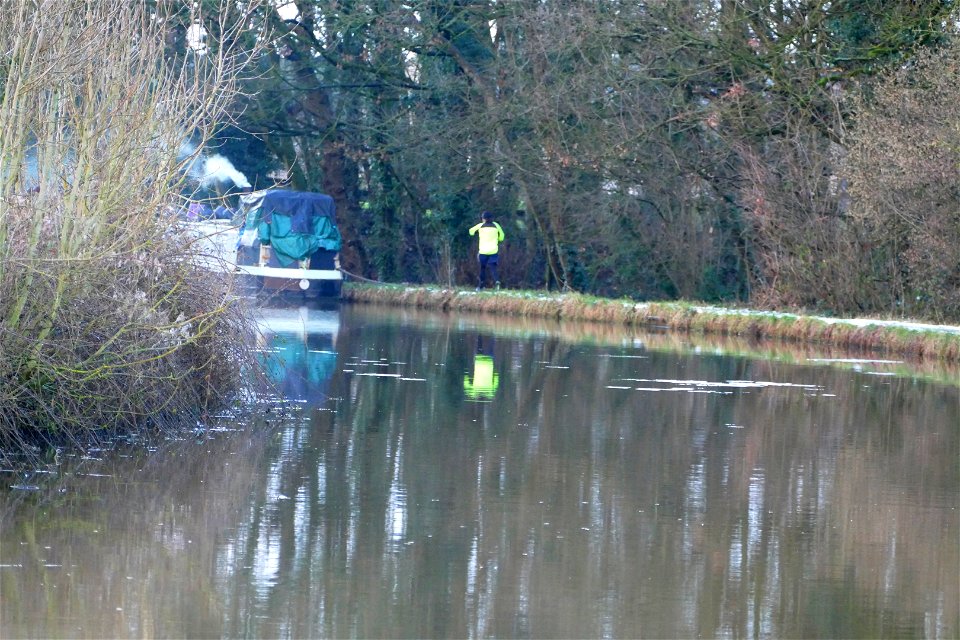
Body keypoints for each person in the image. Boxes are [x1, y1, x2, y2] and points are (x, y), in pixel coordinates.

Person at [468, 211, 504, 290]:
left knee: (482, 268)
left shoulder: (480, 226)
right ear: (492, 218)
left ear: (483, 219)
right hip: (493, 251)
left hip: (483, 251)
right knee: (493, 267)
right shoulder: (496, 225)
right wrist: (497, 239)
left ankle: (481, 286)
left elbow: (471, 232)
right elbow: (502, 237)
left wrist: (477, 233)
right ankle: (497, 281)